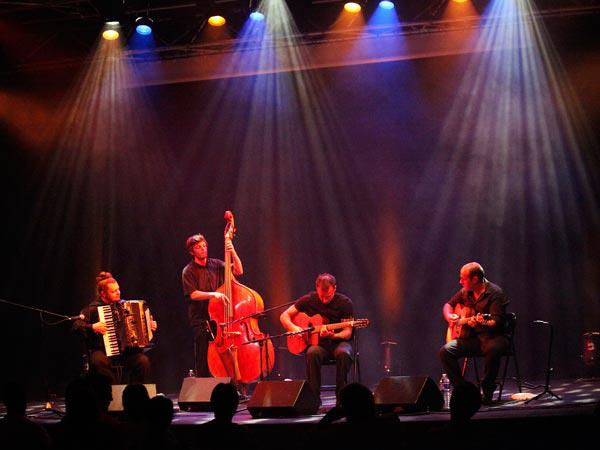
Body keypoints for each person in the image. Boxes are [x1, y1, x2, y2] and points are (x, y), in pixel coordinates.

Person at [439, 262, 509, 404]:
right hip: (473, 339)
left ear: (475, 279)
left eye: (463, 278)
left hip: (494, 337)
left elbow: (496, 323)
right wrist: (449, 317)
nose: (460, 281)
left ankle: (487, 390)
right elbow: (448, 305)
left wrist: (480, 322)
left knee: (493, 349)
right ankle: (463, 390)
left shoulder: (495, 293)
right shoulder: (465, 292)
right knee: (445, 351)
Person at [280, 273, 354, 401]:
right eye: (321, 296)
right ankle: (314, 399)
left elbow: (347, 332)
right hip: (319, 345)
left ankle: (342, 399)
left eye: (328, 296)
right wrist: (294, 328)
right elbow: (284, 316)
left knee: (344, 354)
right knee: (312, 353)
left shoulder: (345, 303)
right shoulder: (309, 300)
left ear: (335, 288)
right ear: (317, 288)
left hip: (338, 342)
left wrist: (333, 335)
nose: (324, 300)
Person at [73, 272, 156, 383]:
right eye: (113, 291)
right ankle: (111, 393)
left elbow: (140, 326)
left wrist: (149, 326)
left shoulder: (125, 306)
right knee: (98, 362)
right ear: (103, 294)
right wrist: (92, 326)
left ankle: (134, 394)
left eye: (118, 289)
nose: (118, 293)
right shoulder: (93, 309)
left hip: (125, 352)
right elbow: (76, 326)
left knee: (143, 361)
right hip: (103, 351)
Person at [181, 233, 243, 378]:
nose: (203, 249)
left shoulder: (217, 264)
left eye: (204, 246)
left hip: (220, 318)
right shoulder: (188, 271)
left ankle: (233, 382)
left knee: (227, 350)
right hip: (201, 319)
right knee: (203, 355)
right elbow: (192, 294)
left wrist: (232, 250)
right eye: (198, 247)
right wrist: (213, 294)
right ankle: (203, 386)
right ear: (192, 252)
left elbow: (239, 270)